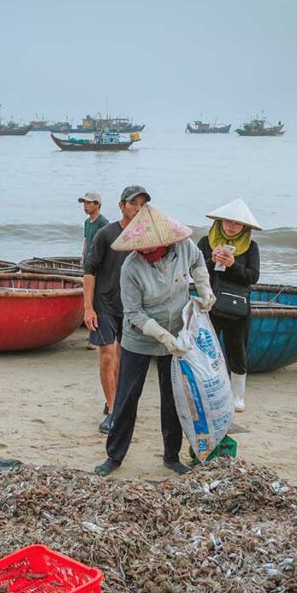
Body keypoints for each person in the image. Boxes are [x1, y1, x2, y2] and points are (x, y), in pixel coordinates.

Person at [94, 202, 215, 477]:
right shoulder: (131, 268)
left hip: (177, 332)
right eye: (140, 247)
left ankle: (171, 456)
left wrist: (205, 290)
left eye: (150, 246)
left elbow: (197, 263)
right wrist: (161, 335)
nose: (145, 251)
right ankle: (114, 456)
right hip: (140, 338)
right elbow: (134, 313)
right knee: (127, 397)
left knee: (173, 397)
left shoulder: (184, 247)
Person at [84, 186, 144, 434]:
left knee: (123, 359)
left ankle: (116, 402)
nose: (138, 209)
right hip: (104, 304)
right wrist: (87, 308)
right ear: (121, 206)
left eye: (142, 205)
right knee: (107, 355)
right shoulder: (107, 234)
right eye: (133, 204)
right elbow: (89, 270)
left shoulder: (145, 237)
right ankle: (113, 410)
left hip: (132, 308)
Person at [197, 199, 261, 412]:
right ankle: (209, 391)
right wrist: (211, 259)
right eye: (228, 221)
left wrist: (233, 264)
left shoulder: (251, 247)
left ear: (245, 226)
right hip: (210, 304)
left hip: (238, 307)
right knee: (207, 351)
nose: (231, 226)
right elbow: (194, 271)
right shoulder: (206, 242)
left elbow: (253, 277)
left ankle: (237, 397)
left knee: (237, 350)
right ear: (220, 221)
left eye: (237, 223)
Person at [79, 191, 108, 263]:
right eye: (84, 203)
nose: (85, 206)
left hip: (96, 262)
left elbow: (106, 244)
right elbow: (86, 240)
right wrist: (83, 256)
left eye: (88, 203)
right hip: (88, 261)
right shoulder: (87, 222)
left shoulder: (102, 222)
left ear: (97, 204)